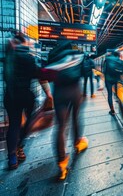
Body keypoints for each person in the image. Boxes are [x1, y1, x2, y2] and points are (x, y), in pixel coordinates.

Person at [4, 33, 52, 169]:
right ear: (24, 44)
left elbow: (7, 78)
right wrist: (49, 93)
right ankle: (19, 144)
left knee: (13, 125)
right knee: (29, 122)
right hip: (25, 96)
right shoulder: (29, 58)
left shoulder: (9, 58)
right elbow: (39, 75)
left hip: (10, 96)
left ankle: (12, 158)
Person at [45, 41, 88, 180]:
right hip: (75, 91)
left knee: (61, 126)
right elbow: (85, 71)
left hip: (59, 93)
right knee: (76, 118)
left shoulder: (53, 56)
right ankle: (78, 143)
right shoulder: (76, 54)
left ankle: (62, 164)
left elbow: (46, 76)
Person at [103, 51, 123, 120]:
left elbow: (104, 71)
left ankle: (112, 110)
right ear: (118, 55)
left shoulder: (107, 59)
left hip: (108, 80)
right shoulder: (120, 61)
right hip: (116, 79)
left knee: (109, 94)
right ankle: (119, 101)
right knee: (117, 94)